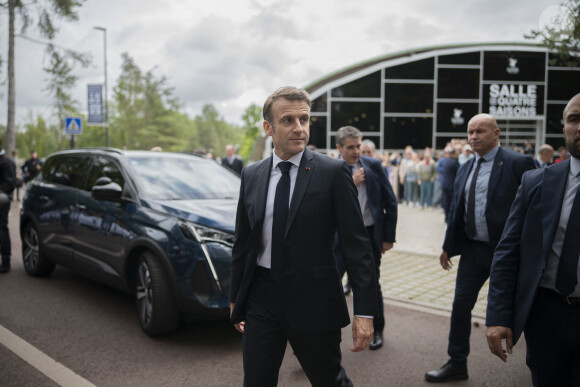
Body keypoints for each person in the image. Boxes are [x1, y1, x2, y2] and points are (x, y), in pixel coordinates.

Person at [229, 86, 377, 386]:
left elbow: (357, 247)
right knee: (255, 381)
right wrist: (236, 297)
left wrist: (365, 311)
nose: (299, 128)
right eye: (288, 120)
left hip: (314, 299)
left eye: (304, 119)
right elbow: (243, 242)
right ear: (268, 127)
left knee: (329, 380)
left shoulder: (333, 172)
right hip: (262, 297)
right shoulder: (252, 174)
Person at [424, 113, 535, 383]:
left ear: (496, 133)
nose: (473, 137)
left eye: (480, 131)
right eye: (470, 132)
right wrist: (447, 247)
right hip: (474, 252)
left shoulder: (518, 163)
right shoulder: (465, 166)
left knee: (527, 309)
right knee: (460, 306)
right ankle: (457, 362)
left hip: (508, 254)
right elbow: (456, 210)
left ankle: (542, 366)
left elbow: (535, 207)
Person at [486, 93, 580, 386]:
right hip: (547, 315)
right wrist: (498, 314)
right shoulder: (536, 182)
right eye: (575, 119)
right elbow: (508, 250)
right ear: (563, 128)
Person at [334, 126, 398, 351]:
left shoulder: (374, 166)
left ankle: (377, 330)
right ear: (339, 148)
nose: (356, 151)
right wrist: (351, 182)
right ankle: (323, 335)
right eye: (350, 147)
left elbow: (390, 202)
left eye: (358, 146)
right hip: (339, 237)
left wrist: (388, 237)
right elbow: (324, 204)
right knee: (330, 285)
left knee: (371, 284)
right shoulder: (331, 169)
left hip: (369, 236)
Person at [0, 142, 17, 273]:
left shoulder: (7, 163)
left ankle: (6, 261)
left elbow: (10, 183)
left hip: (1, 202)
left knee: (2, 230)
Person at [441, 148, 459, 222]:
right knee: (451, 203)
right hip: (451, 186)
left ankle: (446, 218)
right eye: (457, 154)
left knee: (446, 202)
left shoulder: (447, 162)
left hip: (445, 184)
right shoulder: (455, 163)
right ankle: (450, 218)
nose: (458, 155)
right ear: (454, 154)